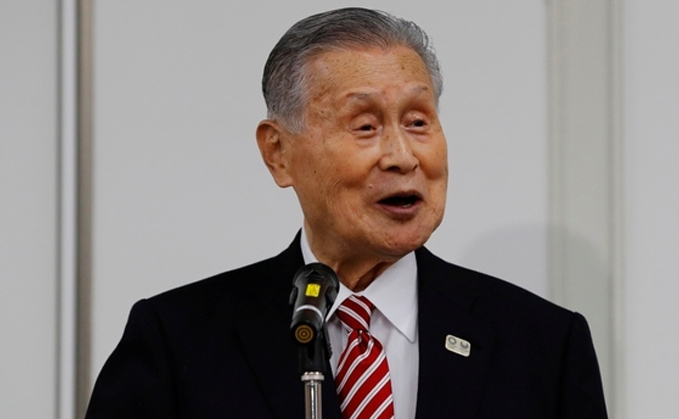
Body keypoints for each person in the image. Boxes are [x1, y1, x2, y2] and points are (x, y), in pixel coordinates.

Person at [85, 7, 607, 419]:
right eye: (365, 126)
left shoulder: (544, 346)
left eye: (418, 121)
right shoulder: (178, 342)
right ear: (278, 153)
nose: (402, 156)